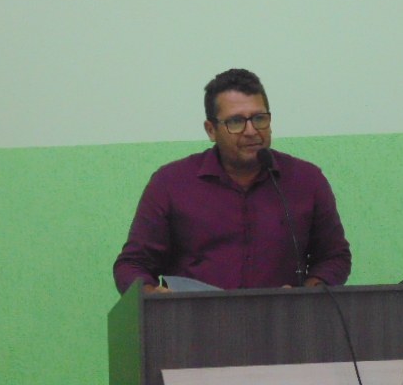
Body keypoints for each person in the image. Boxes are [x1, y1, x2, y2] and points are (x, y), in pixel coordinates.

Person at [113, 69, 351, 294]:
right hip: (193, 320)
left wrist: (306, 295)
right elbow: (132, 264)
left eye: (259, 118)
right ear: (211, 130)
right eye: (236, 122)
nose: (251, 131)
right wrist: (152, 296)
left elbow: (334, 257)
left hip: (282, 319)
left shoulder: (306, 181)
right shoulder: (171, 183)